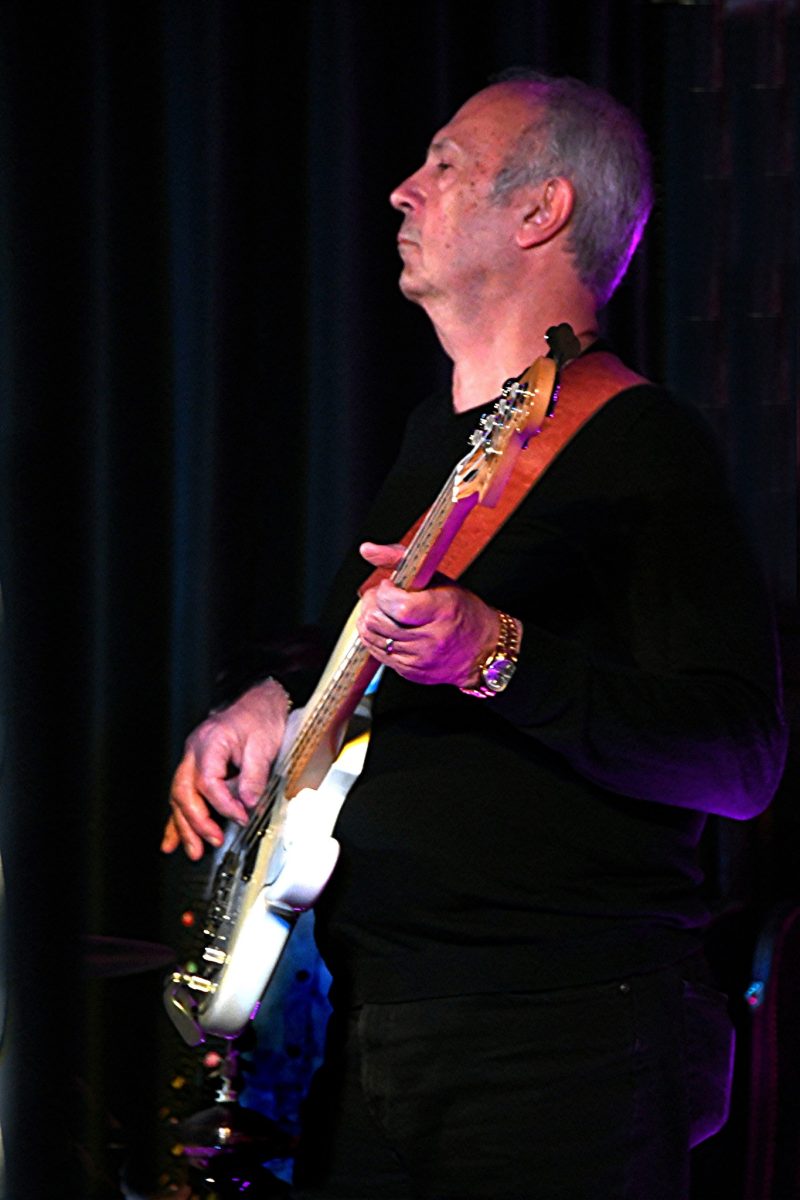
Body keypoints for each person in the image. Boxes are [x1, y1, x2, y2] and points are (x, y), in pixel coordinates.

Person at [162, 71, 787, 1199]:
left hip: (560, 1043)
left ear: (540, 209)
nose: (401, 189)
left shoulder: (642, 443)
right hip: (378, 1027)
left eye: (444, 164)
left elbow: (739, 759)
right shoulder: (434, 441)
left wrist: (498, 656)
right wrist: (267, 702)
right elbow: (366, 662)